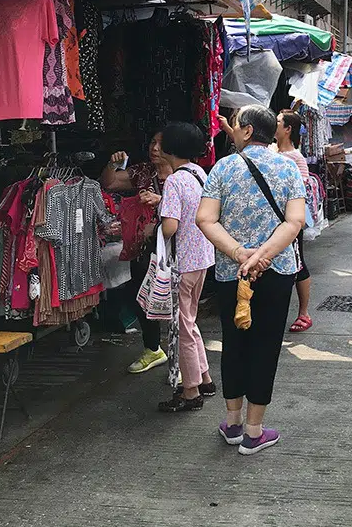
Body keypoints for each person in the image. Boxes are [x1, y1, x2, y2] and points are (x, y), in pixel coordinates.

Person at [196, 104, 306, 456]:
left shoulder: (222, 168)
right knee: (266, 345)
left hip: (233, 271)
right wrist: (264, 255)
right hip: (277, 271)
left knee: (235, 342)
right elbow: (294, 222)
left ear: (244, 130)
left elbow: (205, 219)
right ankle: (254, 431)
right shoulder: (288, 168)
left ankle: (232, 423)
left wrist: (241, 254)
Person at [155, 123, 216, 413]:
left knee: (182, 327)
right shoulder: (199, 173)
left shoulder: (174, 181)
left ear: (170, 148)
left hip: (182, 263)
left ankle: (190, 391)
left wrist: (150, 233)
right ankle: (204, 378)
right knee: (190, 322)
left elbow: (170, 226)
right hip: (202, 258)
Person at [100, 132, 172, 375]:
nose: (155, 148)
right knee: (142, 296)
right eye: (152, 142)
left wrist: (160, 200)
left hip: (176, 245)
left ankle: (184, 360)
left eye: (161, 144)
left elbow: (194, 203)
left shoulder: (184, 172)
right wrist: (112, 164)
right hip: (144, 245)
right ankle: (153, 348)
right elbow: (110, 183)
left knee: (178, 303)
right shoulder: (143, 172)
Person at [275, 109, 313, 333]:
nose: (275, 124)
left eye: (278, 122)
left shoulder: (296, 158)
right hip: (273, 221)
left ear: (288, 129)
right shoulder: (271, 151)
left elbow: (303, 190)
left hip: (290, 221)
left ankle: (304, 313)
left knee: (298, 264)